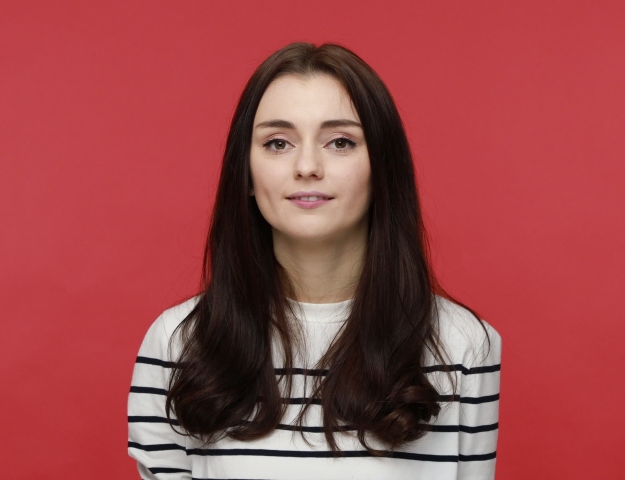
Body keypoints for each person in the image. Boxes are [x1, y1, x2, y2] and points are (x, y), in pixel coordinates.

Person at [127, 42, 502, 480]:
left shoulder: (463, 345)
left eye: (340, 142)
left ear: (382, 168)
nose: (307, 166)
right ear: (245, 173)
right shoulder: (179, 342)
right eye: (278, 142)